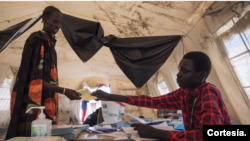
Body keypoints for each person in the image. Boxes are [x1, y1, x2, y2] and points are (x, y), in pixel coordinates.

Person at [92, 51, 232, 141]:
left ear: (201, 75)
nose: (178, 74)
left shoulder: (208, 92)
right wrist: (109, 96)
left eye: (184, 71)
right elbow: (153, 102)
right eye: (179, 69)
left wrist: (156, 133)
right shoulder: (184, 93)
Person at [5, 6, 81, 140]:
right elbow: (34, 80)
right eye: (55, 21)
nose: (57, 26)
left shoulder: (49, 43)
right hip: (31, 99)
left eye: (60, 23)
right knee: (32, 134)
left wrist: (62, 91)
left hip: (45, 98)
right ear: (44, 19)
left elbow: (47, 77)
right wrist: (63, 91)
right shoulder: (37, 40)